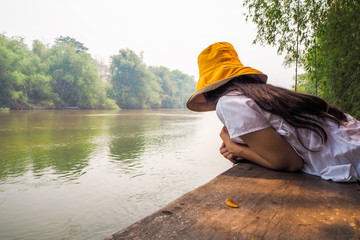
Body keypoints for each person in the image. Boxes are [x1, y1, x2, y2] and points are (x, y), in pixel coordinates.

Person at [186, 42, 360, 182]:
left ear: (208, 92)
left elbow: (289, 162)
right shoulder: (261, 96)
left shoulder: (229, 103)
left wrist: (235, 148)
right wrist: (244, 151)